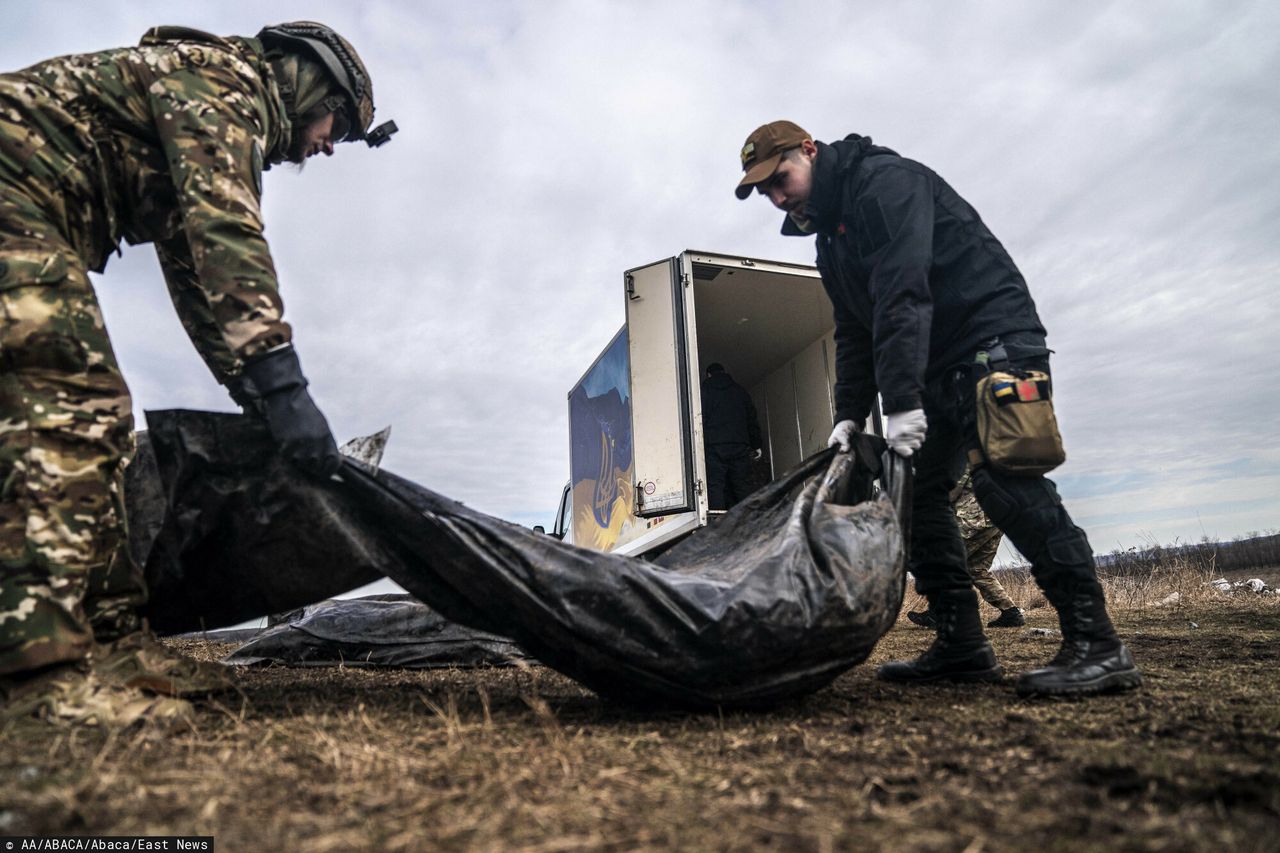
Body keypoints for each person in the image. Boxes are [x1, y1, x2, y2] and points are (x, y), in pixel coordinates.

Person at [0, 21, 396, 723]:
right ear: (307, 81)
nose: (330, 142)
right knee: (72, 412)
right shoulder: (221, 83)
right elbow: (226, 233)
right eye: (337, 119)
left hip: (27, 209)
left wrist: (257, 396)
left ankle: (117, 643)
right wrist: (282, 383)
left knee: (100, 432)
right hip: (13, 197)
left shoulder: (205, 102)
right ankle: (41, 677)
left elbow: (198, 277)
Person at [734, 121, 1140, 697]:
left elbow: (905, 292)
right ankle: (961, 643)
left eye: (781, 179)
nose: (777, 197)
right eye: (765, 193)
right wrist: (848, 417)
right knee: (915, 497)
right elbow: (854, 329)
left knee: (1005, 482)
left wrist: (898, 402)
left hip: (992, 340)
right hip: (930, 362)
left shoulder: (886, 184)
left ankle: (1097, 644)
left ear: (810, 151)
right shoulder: (831, 239)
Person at [907, 466, 1025, 629]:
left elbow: (951, 491)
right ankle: (1011, 613)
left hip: (972, 519)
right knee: (976, 569)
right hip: (997, 520)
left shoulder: (963, 459)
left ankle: (938, 614)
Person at [700, 363, 763, 510]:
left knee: (716, 485)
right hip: (739, 445)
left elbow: (700, 419)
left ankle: (718, 521)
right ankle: (748, 517)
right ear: (724, 372)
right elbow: (751, 419)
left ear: (708, 375)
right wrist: (757, 444)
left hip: (714, 445)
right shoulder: (740, 391)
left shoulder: (704, 392)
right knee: (743, 484)